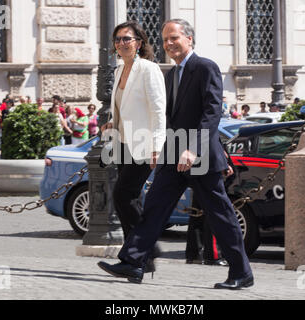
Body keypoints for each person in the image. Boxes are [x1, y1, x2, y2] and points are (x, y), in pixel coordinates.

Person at [98, 19, 253, 290]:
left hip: (199, 157)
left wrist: (194, 149)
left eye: (174, 38)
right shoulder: (170, 75)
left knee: (220, 215)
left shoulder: (205, 67)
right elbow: (164, 118)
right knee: (154, 209)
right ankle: (134, 262)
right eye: (166, 40)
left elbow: (211, 114)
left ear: (189, 39)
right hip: (173, 155)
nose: (169, 44)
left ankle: (241, 272)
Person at [100, 21, 166, 272]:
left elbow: (158, 110)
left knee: (123, 195)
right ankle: (139, 259)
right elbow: (123, 107)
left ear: (139, 43)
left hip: (144, 142)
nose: (121, 43)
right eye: (117, 39)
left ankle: (146, 249)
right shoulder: (119, 70)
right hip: (125, 143)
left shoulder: (148, 69)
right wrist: (111, 124)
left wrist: (156, 147)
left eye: (126, 39)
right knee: (129, 199)